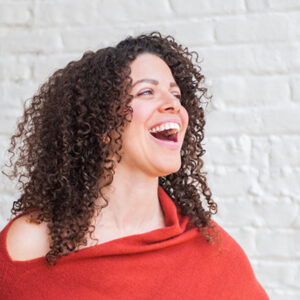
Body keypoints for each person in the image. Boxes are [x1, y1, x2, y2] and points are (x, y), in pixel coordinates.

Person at [0, 31, 269, 299]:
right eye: (147, 91)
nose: (173, 104)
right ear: (101, 122)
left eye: (176, 95)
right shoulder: (26, 247)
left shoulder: (212, 251)